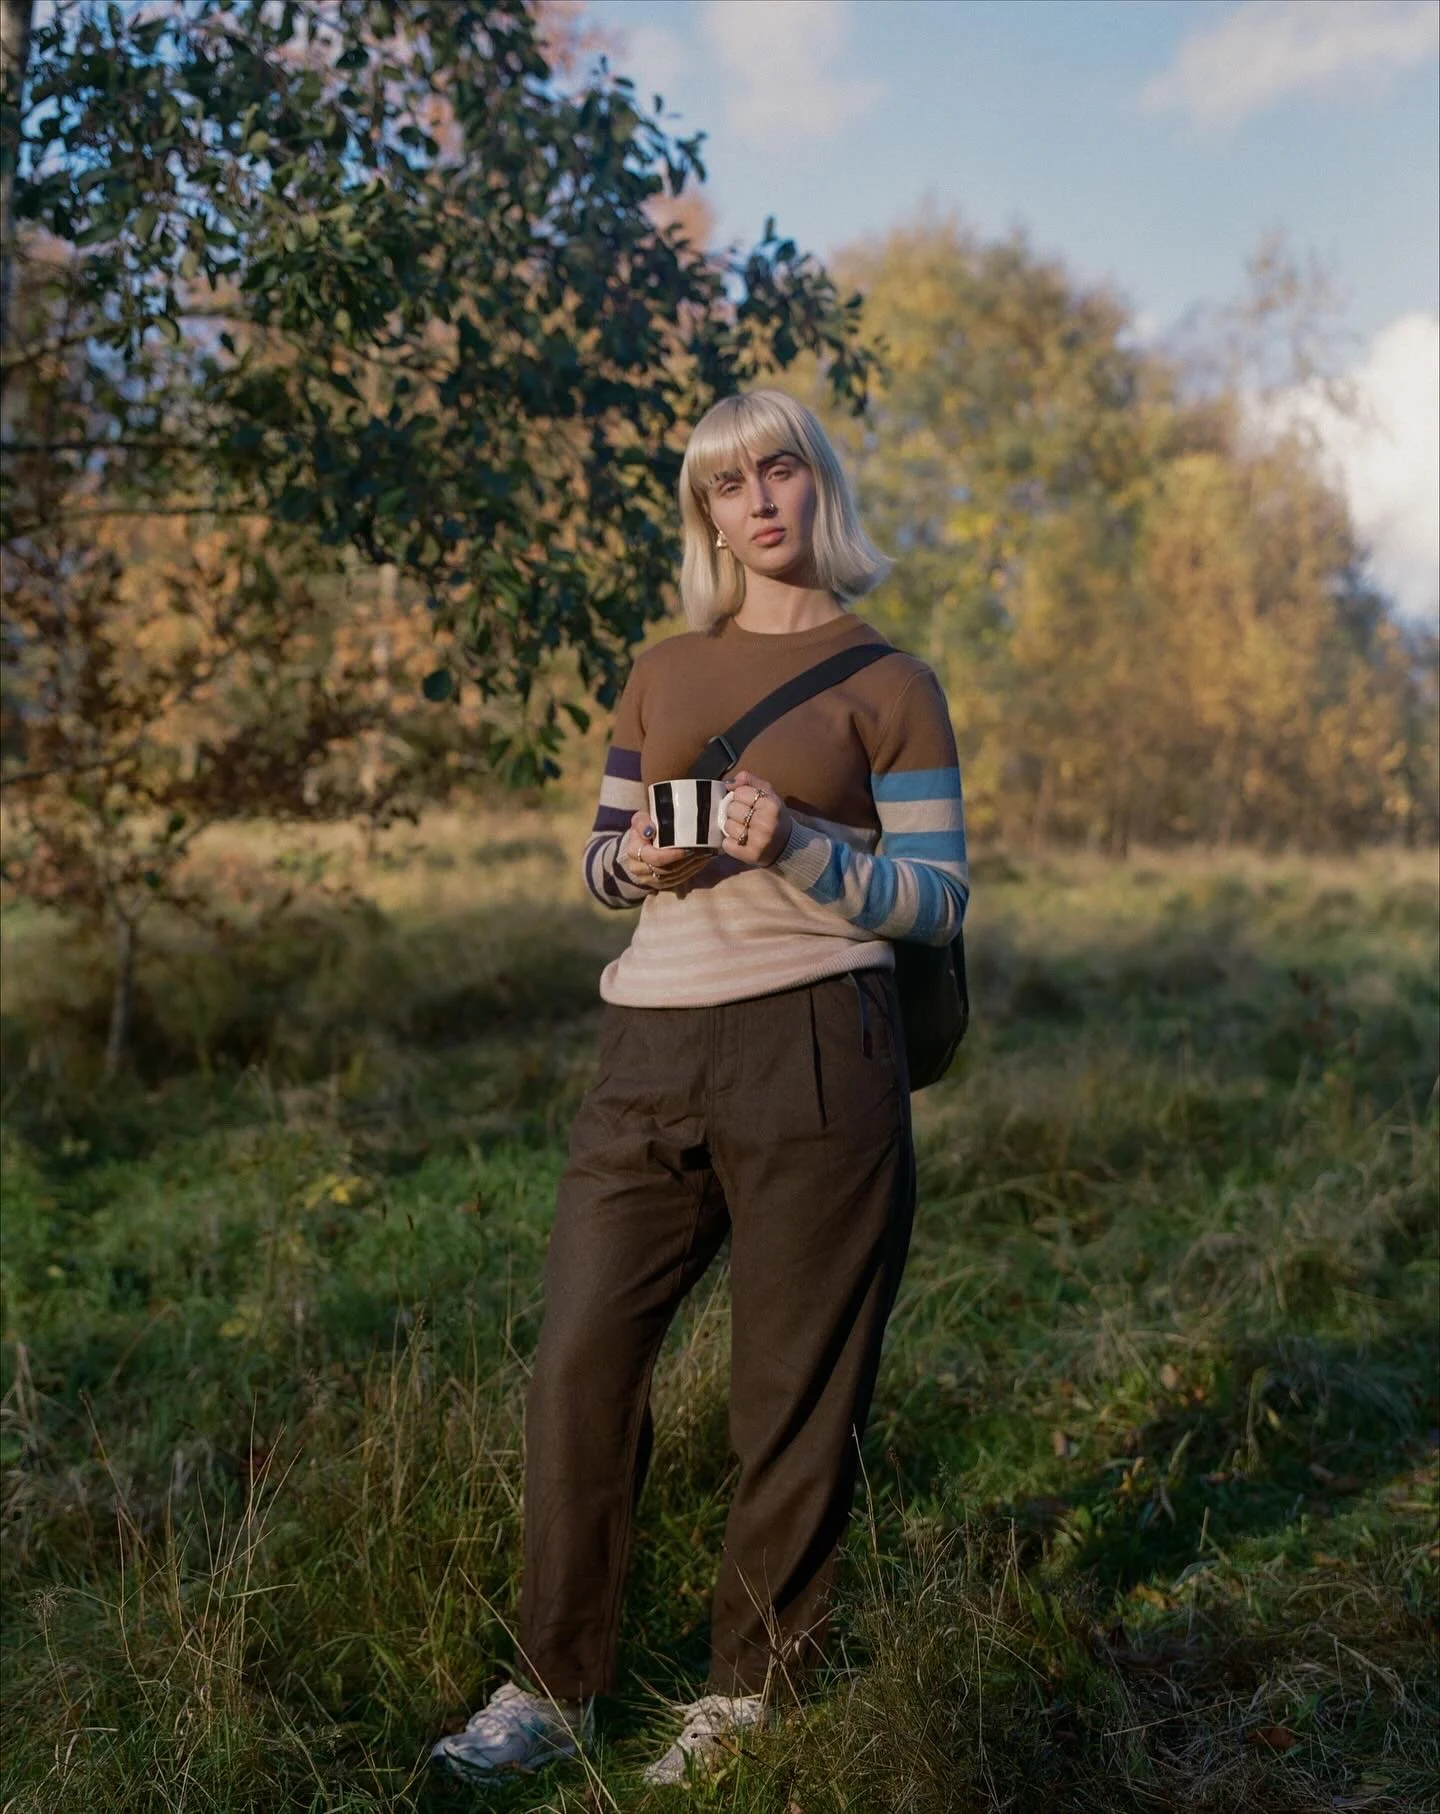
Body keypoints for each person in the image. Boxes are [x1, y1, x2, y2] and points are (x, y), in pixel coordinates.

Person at [431, 387, 969, 1787]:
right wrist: (642, 867)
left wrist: (798, 844)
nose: (758, 502)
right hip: (651, 1046)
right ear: (706, 515)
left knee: (789, 1384)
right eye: (726, 486)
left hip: (820, 1041)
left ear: (816, 485)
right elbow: (601, 857)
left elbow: (936, 892)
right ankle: (557, 1676)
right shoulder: (664, 669)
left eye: (778, 470)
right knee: (578, 1359)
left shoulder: (893, 681)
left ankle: (751, 1687)